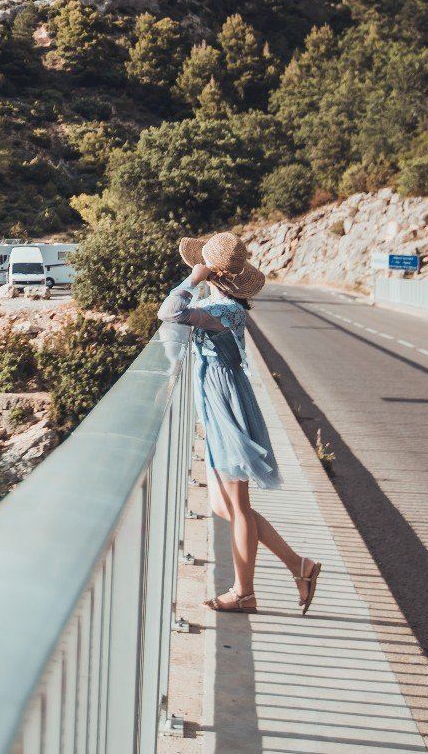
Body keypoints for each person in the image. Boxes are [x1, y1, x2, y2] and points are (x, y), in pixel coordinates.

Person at [157, 231, 320, 616]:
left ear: (211, 272)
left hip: (227, 405)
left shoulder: (225, 310)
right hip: (217, 402)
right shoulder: (220, 304)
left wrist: (190, 280)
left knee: (238, 505)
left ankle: (244, 593)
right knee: (223, 505)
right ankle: (301, 566)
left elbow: (170, 312)